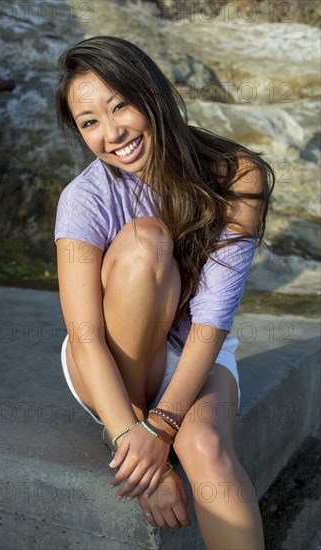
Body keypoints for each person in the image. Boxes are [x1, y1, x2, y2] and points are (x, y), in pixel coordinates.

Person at [54, 36, 275, 548]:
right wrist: (137, 444)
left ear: (151, 93)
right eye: (89, 122)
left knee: (208, 450)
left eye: (120, 105)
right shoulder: (83, 200)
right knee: (145, 242)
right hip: (108, 355)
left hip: (195, 347)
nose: (111, 134)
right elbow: (84, 336)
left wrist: (166, 428)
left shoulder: (236, 175)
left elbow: (213, 320)